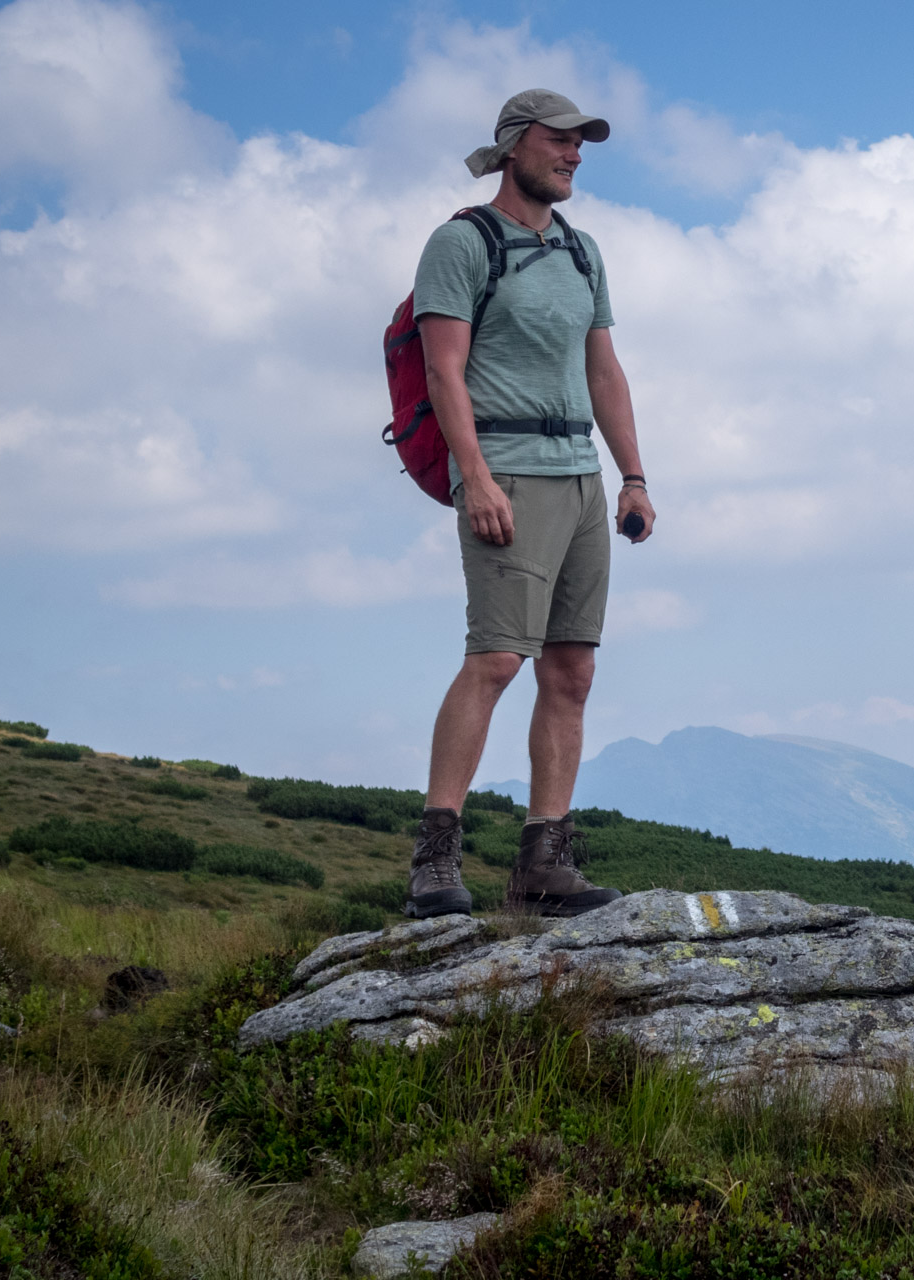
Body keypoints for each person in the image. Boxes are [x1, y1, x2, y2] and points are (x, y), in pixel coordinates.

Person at [403, 89, 654, 921]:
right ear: (515, 146)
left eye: (581, 145)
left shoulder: (584, 254)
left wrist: (633, 476)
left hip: (581, 476)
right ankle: (435, 859)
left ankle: (544, 863)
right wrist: (473, 478)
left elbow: (604, 372)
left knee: (572, 672)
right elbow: (444, 371)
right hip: (506, 470)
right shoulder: (461, 243)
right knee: (498, 658)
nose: (575, 155)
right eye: (561, 141)